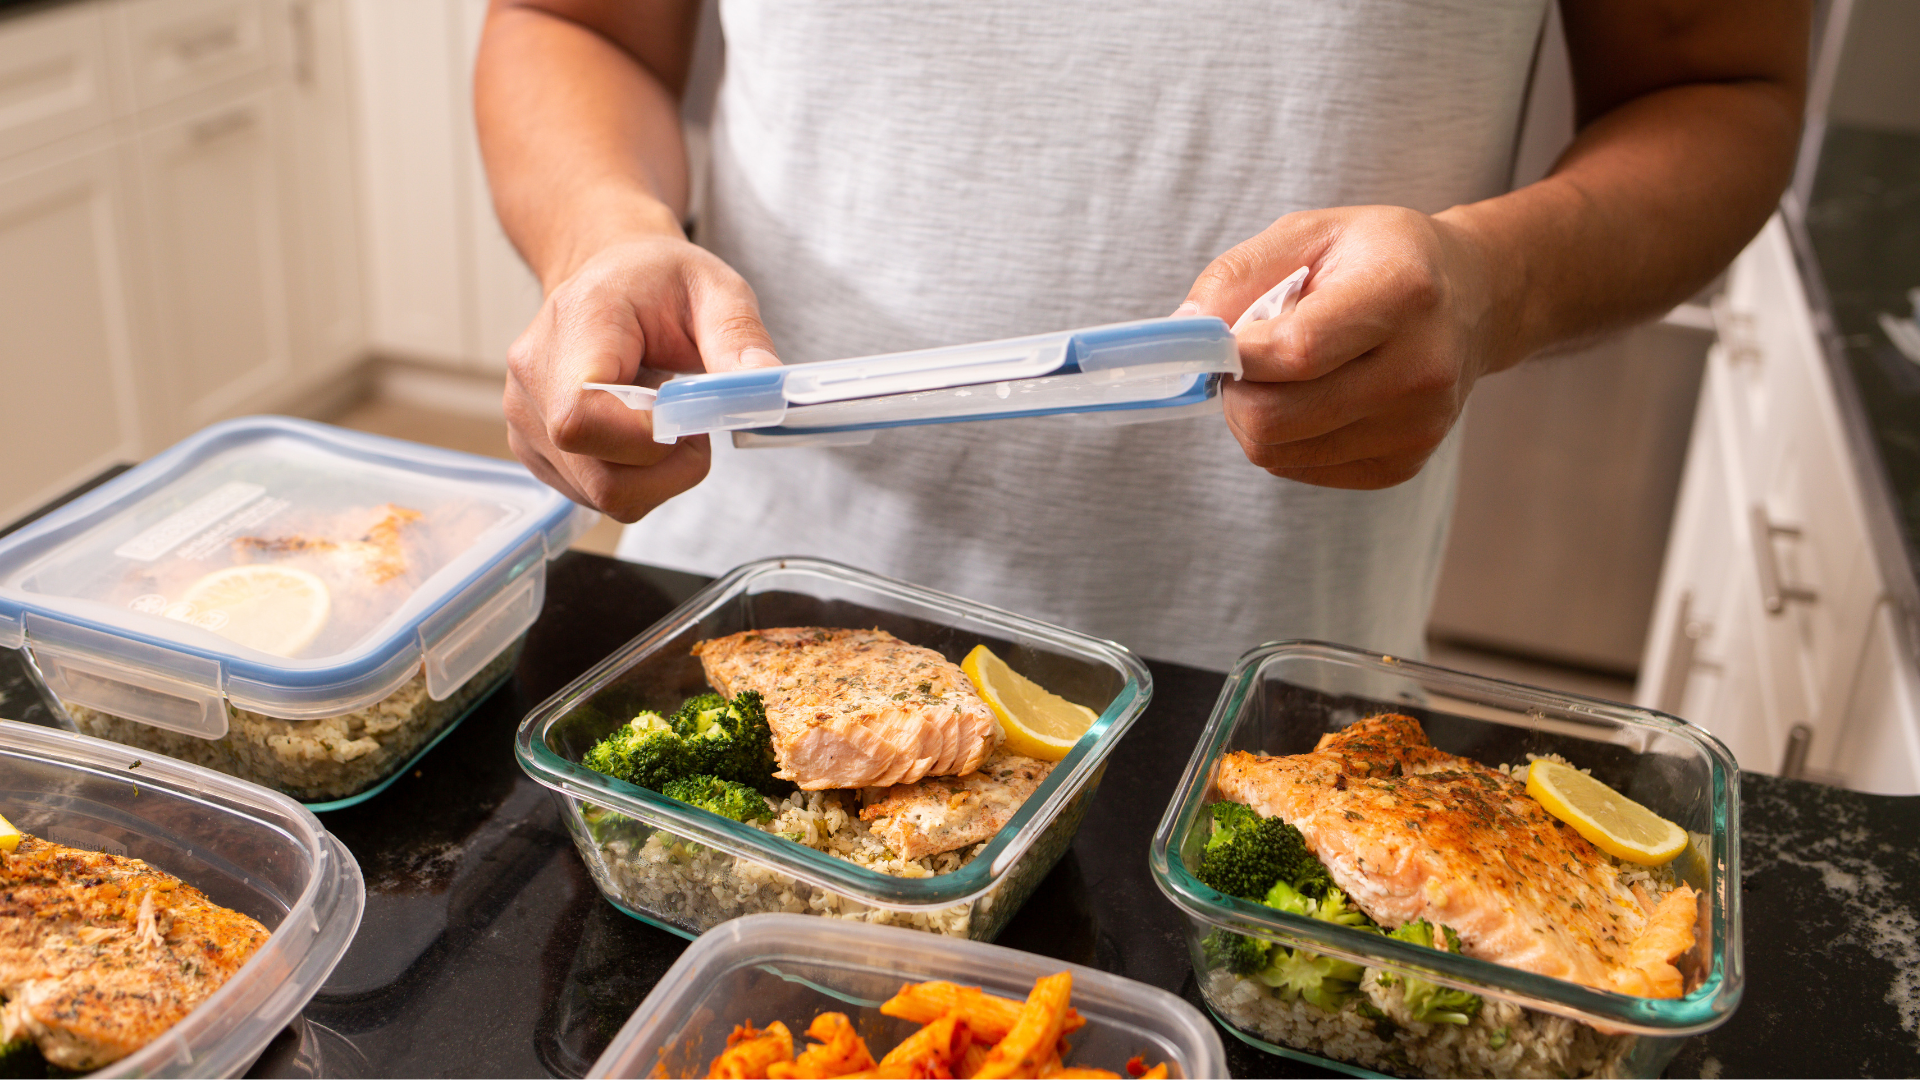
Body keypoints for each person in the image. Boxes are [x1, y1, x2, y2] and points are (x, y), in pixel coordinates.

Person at [474, 1, 1808, 670]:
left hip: (1244, 674)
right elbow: (573, 21)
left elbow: (1719, 88)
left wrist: (1490, 285)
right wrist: (602, 238)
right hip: (735, 612)